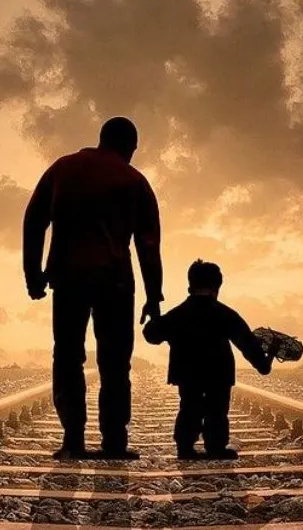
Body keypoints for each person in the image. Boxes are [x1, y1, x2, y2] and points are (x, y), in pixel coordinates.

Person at [23, 117, 163, 461]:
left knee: (68, 356)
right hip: (115, 281)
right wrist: (153, 296)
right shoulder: (135, 180)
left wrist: (34, 274)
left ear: (101, 138)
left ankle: (73, 440)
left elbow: (34, 220)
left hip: (68, 279)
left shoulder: (62, 169)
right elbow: (148, 244)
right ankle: (114, 441)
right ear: (130, 146)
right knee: (115, 363)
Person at [143, 259, 277, 460]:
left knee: (189, 406)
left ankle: (185, 447)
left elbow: (152, 335)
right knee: (217, 410)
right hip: (219, 373)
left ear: (190, 285)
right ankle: (215, 447)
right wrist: (265, 362)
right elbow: (247, 343)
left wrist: (154, 316)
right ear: (218, 286)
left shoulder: (179, 313)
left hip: (187, 372)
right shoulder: (226, 314)